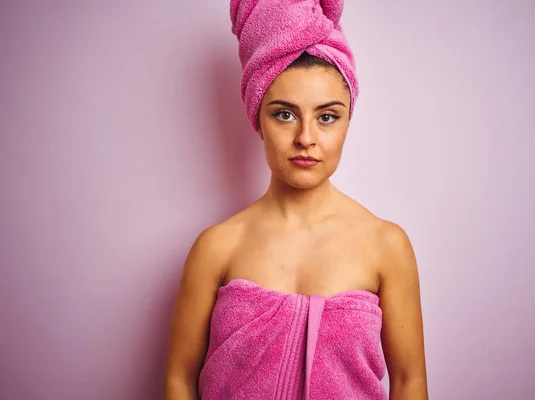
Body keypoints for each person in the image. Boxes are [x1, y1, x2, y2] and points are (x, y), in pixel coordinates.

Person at [164, 1, 428, 399]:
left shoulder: (386, 246)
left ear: (347, 121)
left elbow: (410, 383)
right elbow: (179, 380)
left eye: (327, 116)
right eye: (284, 114)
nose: (306, 137)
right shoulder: (216, 247)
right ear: (258, 120)